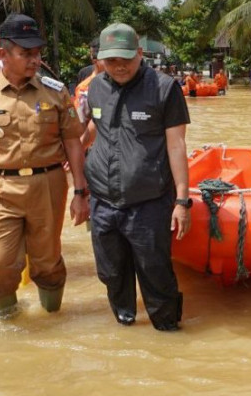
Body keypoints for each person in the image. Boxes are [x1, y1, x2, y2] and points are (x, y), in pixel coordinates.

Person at [0, 13, 89, 319]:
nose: (34, 60)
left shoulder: (55, 92)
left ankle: (52, 319)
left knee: (48, 261)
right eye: (25, 53)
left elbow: (73, 143)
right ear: (3, 54)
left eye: (37, 53)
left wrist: (80, 192)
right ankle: (8, 323)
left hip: (49, 184)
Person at [85, 23, 191, 331]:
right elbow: (94, 129)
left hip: (150, 202)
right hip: (103, 201)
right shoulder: (95, 87)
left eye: (125, 59)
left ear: (140, 54)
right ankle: (125, 321)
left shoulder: (163, 88)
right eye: (110, 60)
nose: (118, 66)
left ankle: (167, 329)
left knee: (155, 272)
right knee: (111, 273)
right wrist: (77, 180)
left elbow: (176, 144)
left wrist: (182, 201)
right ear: (99, 58)